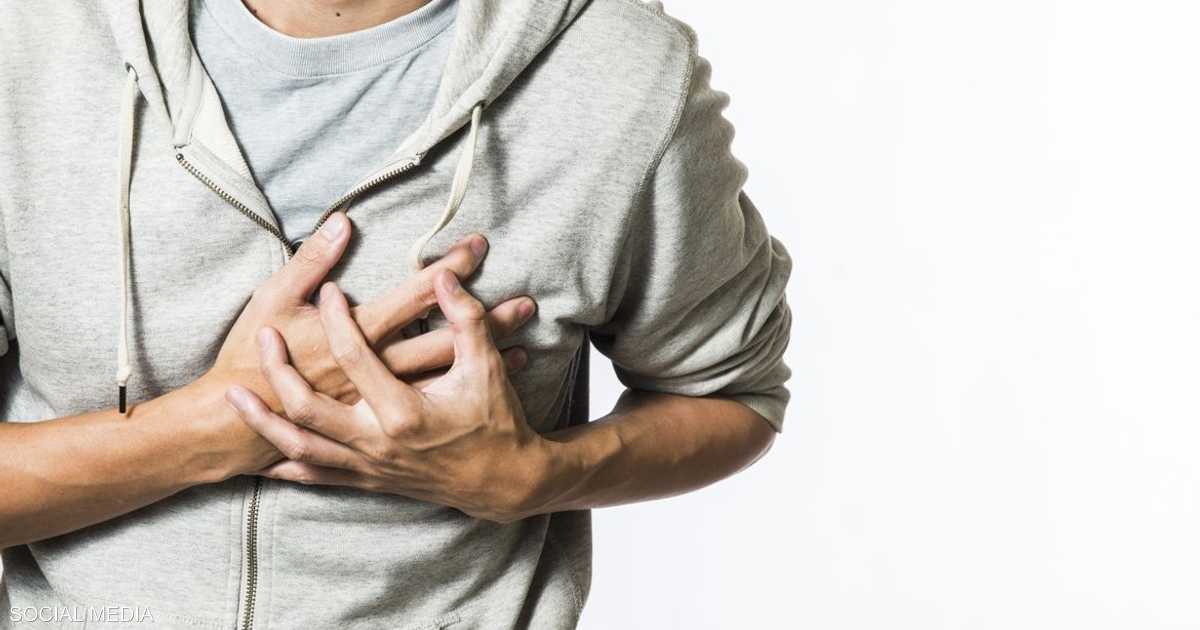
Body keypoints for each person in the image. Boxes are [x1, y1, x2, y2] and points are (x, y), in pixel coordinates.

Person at [0, 0, 792, 627]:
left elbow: (732, 395)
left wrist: (533, 477)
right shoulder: (30, 36)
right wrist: (224, 424)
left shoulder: (621, 71)